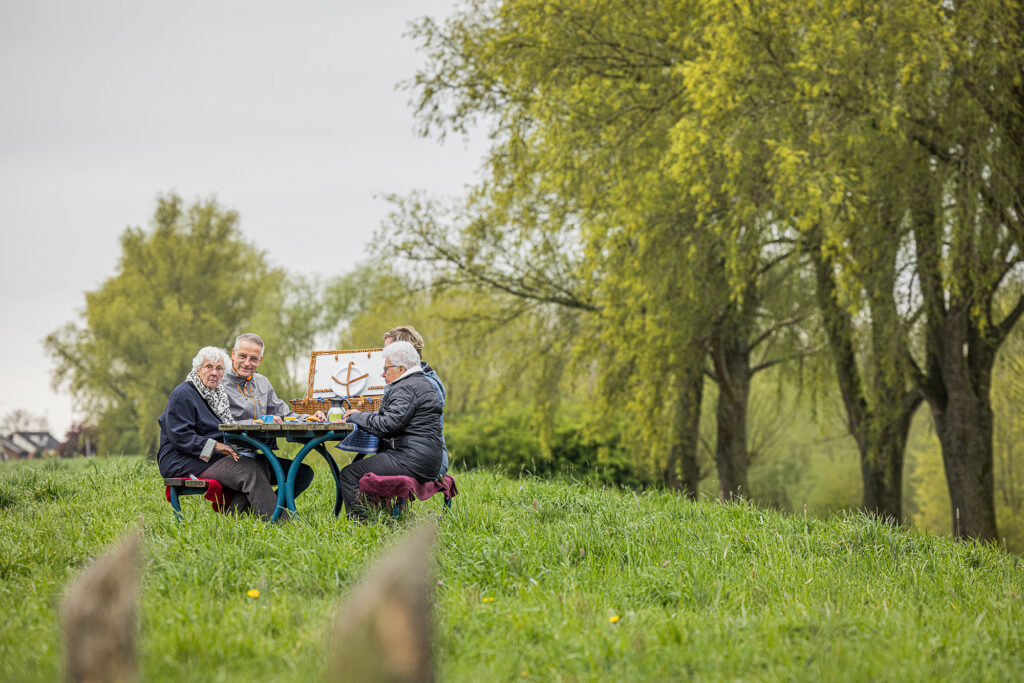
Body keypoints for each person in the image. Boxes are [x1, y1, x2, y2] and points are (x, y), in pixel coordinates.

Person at [156, 346, 282, 520]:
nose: (214, 373)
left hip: (209, 456)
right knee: (250, 471)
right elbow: (180, 436)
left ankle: (234, 518)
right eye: (209, 367)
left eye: (219, 368)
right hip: (182, 459)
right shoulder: (184, 393)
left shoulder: (218, 396)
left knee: (261, 465)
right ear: (198, 369)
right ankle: (281, 524)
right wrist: (215, 446)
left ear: (224, 373)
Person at [339, 341, 443, 520]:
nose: (382, 373)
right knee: (361, 468)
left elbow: (388, 425)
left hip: (412, 460)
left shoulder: (406, 387)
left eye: (386, 369)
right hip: (426, 459)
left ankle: (362, 526)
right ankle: (378, 517)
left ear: (401, 369)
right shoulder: (419, 383)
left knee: (349, 475)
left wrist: (356, 416)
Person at [222, 332, 322, 502]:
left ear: (260, 361)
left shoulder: (262, 382)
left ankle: (272, 509)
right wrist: (258, 422)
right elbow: (220, 422)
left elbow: (285, 414)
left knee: (303, 473)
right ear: (233, 354)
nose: (247, 363)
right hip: (228, 456)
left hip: (257, 453)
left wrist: (311, 418)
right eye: (243, 356)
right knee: (258, 474)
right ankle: (269, 515)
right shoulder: (219, 382)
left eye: (253, 359)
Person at [382, 325, 448, 478]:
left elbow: (391, 424)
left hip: (424, 461)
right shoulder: (399, 380)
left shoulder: (425, 385)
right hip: (406, 454)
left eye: (388, 350)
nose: (384, 355)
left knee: (353, 472)